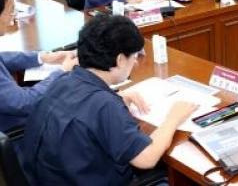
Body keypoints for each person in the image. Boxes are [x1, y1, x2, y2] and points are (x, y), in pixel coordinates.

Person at [21, 15, 198, 185]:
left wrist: (116, 98)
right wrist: (173, 118)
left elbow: (83, 110)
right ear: (120, 60)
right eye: (134, 56)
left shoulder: (63, 80)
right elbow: (146, 159)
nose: (135, 63)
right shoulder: (105, 105)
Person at [0, 0, 77, 133]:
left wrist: (42, 57)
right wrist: (62, 71)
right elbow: (23, 103)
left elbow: (2, 58)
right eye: (10, 11)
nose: (12, 19)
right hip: (16, 133)